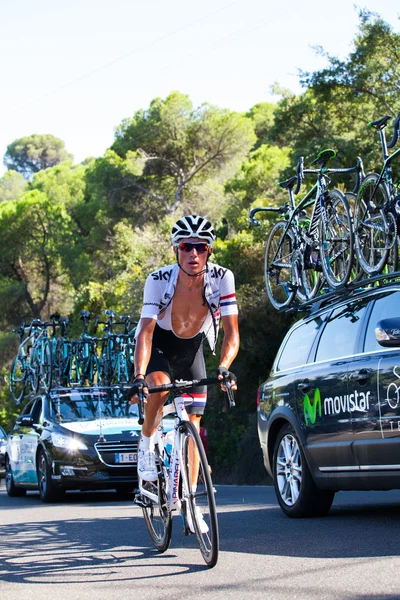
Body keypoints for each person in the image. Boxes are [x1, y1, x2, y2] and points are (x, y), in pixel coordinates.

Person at [129, 215, 239, 494]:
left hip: (192, 349)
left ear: (209, 250)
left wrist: (224, 367)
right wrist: (139, 376)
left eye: (200, 247)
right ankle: (146, 444)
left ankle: (190, 498)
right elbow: (145, 332)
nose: (193, 253)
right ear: (176, 249)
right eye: (186, 246)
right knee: (158, 388)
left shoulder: (223, 278)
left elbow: (232, 333)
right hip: (159, 344)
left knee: (193, 424)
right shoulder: (157, 280)